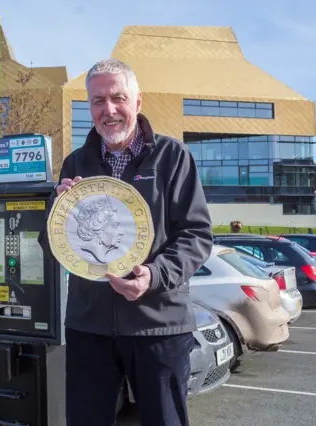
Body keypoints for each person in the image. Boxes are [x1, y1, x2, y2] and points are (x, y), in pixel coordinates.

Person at [39, 59, 213, 425]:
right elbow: (51, 246)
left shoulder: (173, 157)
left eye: (118, 98)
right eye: (98, 101)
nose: (109, 110)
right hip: (90, 327)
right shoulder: (75, 163)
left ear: (137, 102)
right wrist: (58, 212)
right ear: (90, 107)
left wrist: (153, 275)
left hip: (158, 325)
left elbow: (197, 236)